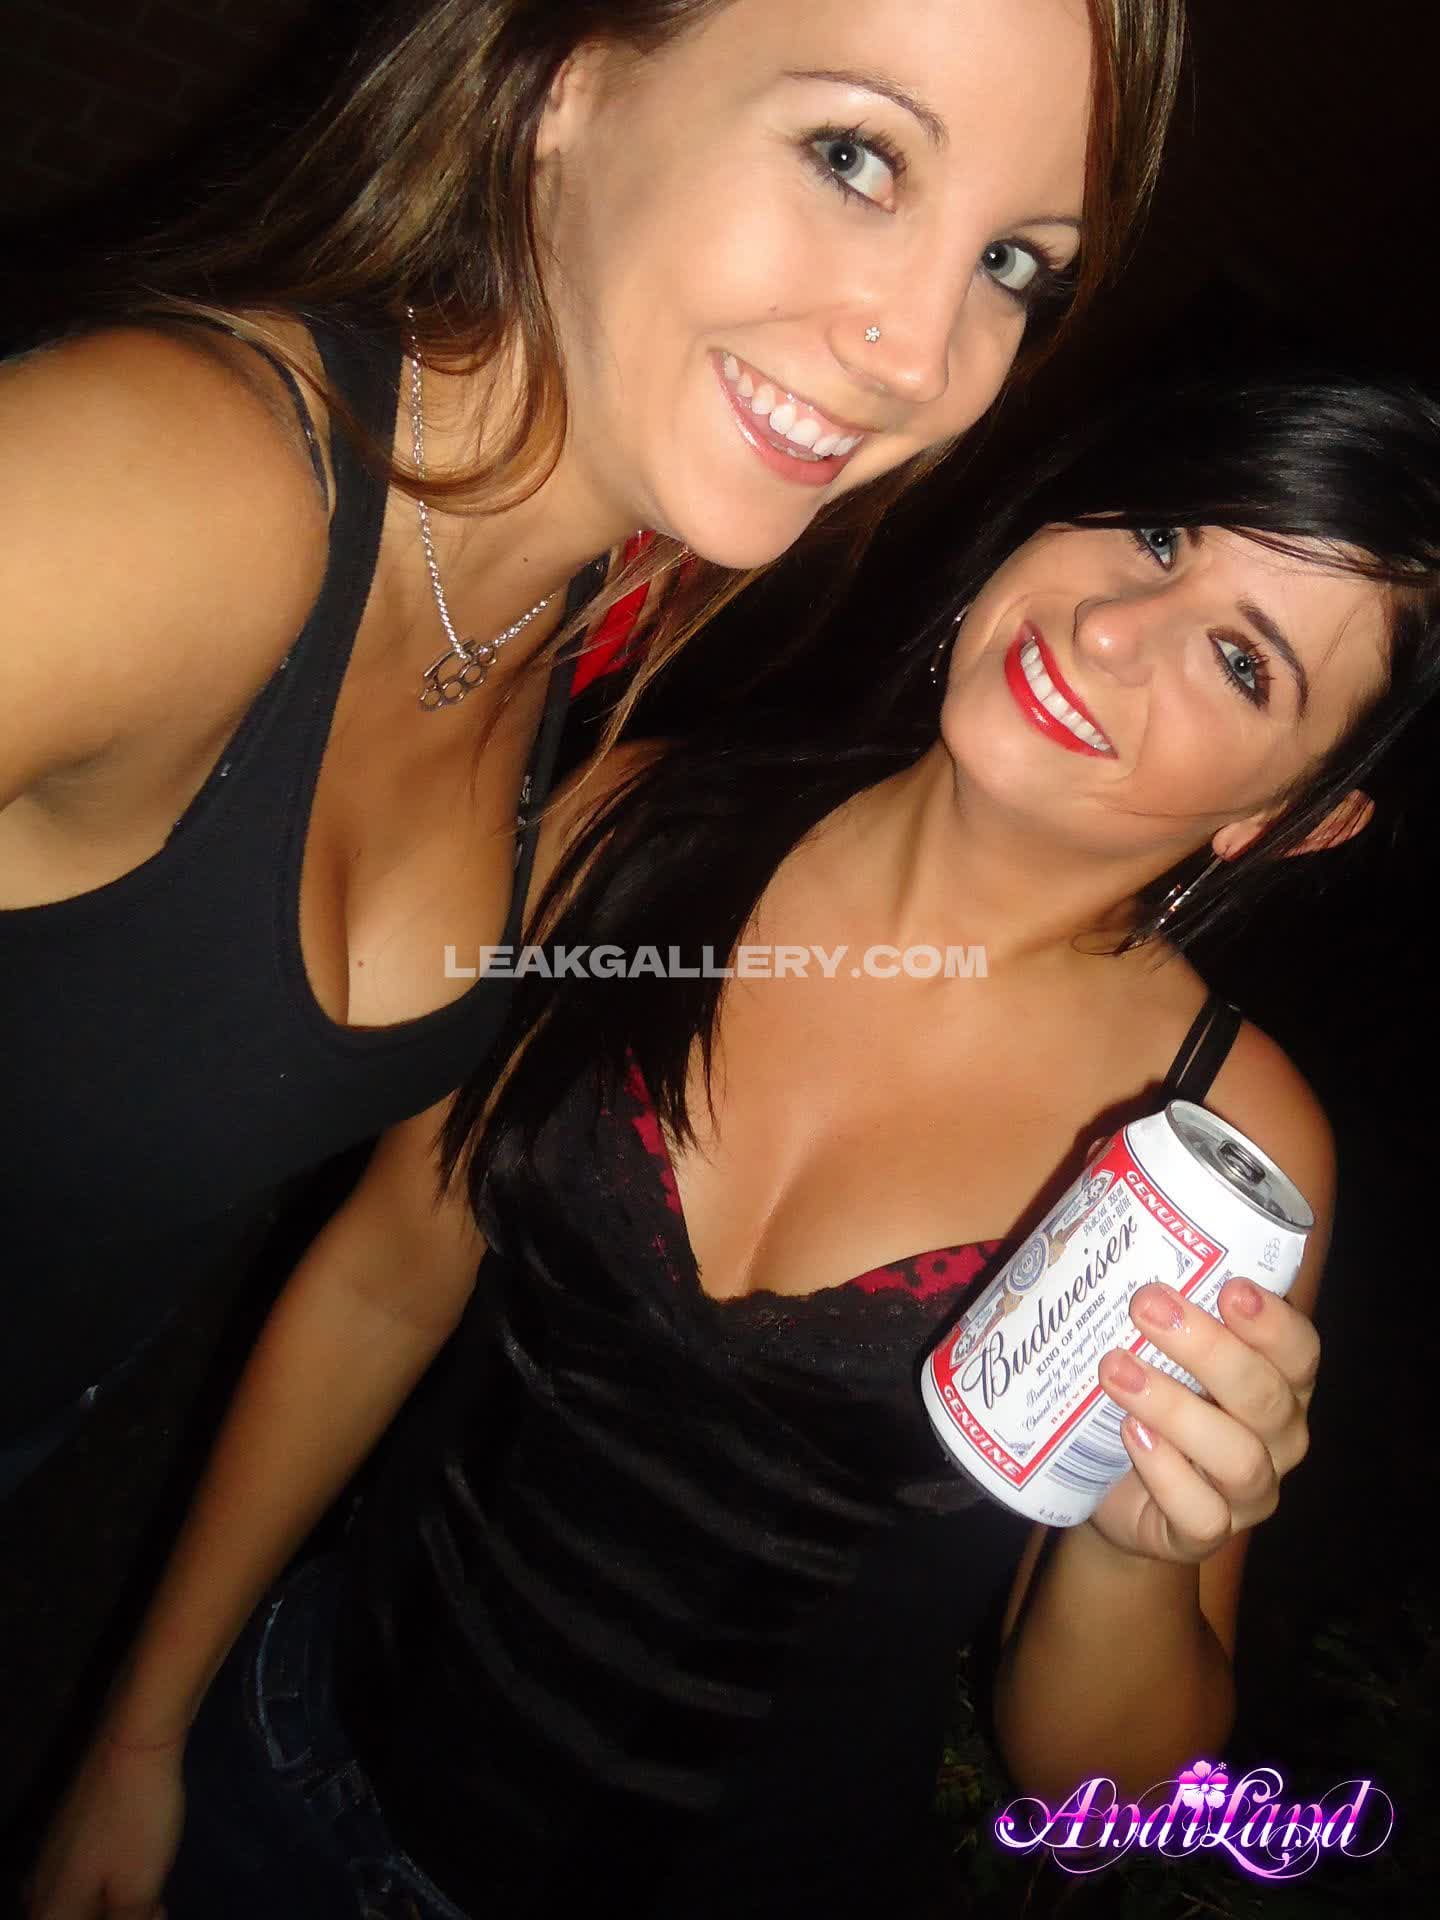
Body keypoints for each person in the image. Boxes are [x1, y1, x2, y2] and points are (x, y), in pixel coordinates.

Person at [0, 0, 1183, 1849]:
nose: (921, 354)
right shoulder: (159, 490)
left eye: (1013, 263)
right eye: (856, 156)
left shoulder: (587, 620)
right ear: (570, 84)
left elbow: (1132, 1786)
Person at [31, 365, 1440, 1917]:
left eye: (1243, 662)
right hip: (297, 1761)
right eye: (1162, 533)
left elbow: (1094, 1793)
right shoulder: (641, 825)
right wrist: (141, 1730)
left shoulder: (1217, 1148)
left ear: (1294, 817)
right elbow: (383, 1279)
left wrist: (1139, 1544)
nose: (1113, 628)